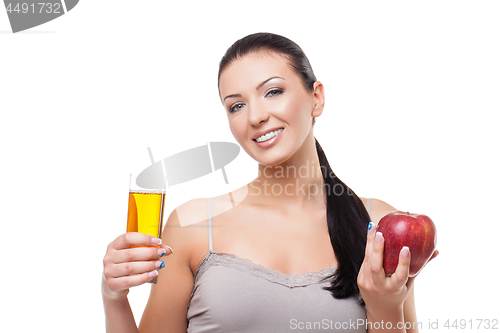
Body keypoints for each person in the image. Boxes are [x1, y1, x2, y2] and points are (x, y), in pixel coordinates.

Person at [102, 32, 438, 332]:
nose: (255, 116)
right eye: (236, 106)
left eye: (273, 91)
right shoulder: (191, 225)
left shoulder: (377, 226)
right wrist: (114, 296)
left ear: (316, 98)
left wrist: (385, 310)